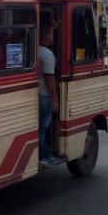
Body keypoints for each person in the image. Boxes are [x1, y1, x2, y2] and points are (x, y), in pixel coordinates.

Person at [38, 25, 61, 167]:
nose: (53, 37)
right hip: (45, 95)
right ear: (47, 36)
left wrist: (53, 25)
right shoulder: (46, 54)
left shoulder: (35, 50)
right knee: (42, 128)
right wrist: (55, 100)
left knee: (41, 128)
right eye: (51, 33)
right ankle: (43, 156)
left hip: (37, 93)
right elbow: (50, 78)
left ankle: (46, 153)